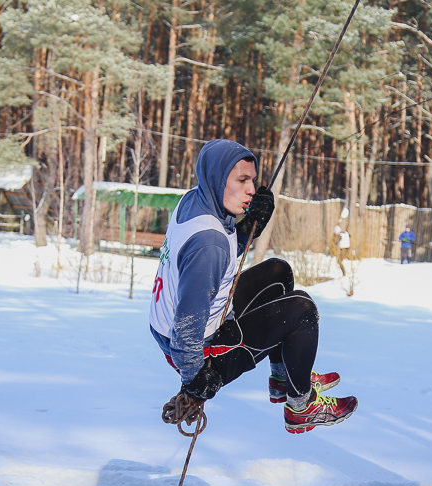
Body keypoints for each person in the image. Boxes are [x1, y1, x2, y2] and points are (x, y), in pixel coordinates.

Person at [149, 139, 357, 433]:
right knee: (303, 309)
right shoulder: (210, 244)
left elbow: (214, 258)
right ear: (218, 179)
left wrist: (246, 229)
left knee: (278, 271)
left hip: (177, 333)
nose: (250, 189)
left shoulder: (194, 201)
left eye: (253, 180)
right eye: (241, 180)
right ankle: (302, 406)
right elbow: (187, 325)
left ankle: (283, 378)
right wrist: (195, 382)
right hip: (197, 351)